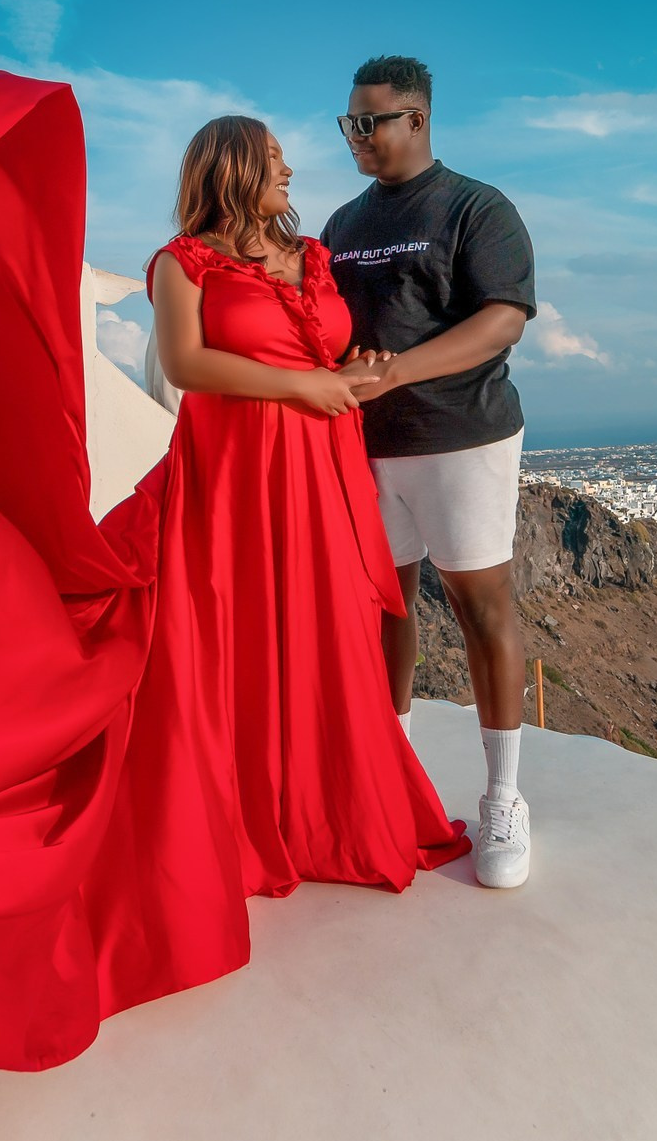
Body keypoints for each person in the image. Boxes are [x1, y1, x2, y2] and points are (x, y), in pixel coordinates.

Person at [98, 115, 469, 999]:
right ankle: (237, 826)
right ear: (232, 168)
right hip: (229, 477)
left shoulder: (317, 257)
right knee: (234, 638)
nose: (291, 169)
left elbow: (331, 355)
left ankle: (320, 819)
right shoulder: (179, 264)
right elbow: (188, 366)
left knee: (316, 635)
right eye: (272, 160)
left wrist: (360, 368)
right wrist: (306, 383)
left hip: (314, 472)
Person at [322, 57, 538, 888]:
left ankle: (503, 800)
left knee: (482, 606)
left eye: (368, 123)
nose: (355, 137)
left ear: (416, 119)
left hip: (461, 437)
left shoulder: (476, 208)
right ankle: (391, 778)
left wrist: (397, 372)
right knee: (386, 607)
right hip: (363, 445)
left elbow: (500, 322)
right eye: (348, 123)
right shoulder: (341, 223)